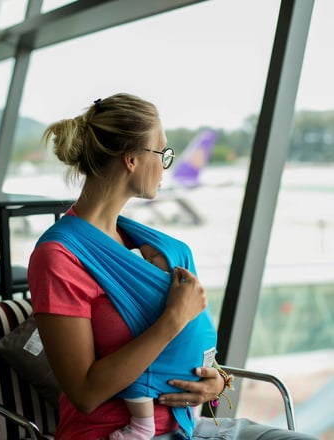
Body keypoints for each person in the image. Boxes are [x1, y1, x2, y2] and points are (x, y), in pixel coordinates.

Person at [28, 93, 318, 440]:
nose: (166, 164)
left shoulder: (139, 243)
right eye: (162, 152)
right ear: (132, 159)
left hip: (187, 425)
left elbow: (171, 350)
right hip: (113, 432)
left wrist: (214, 381)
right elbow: (86, 394)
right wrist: (173, 318)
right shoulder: (59, 257)